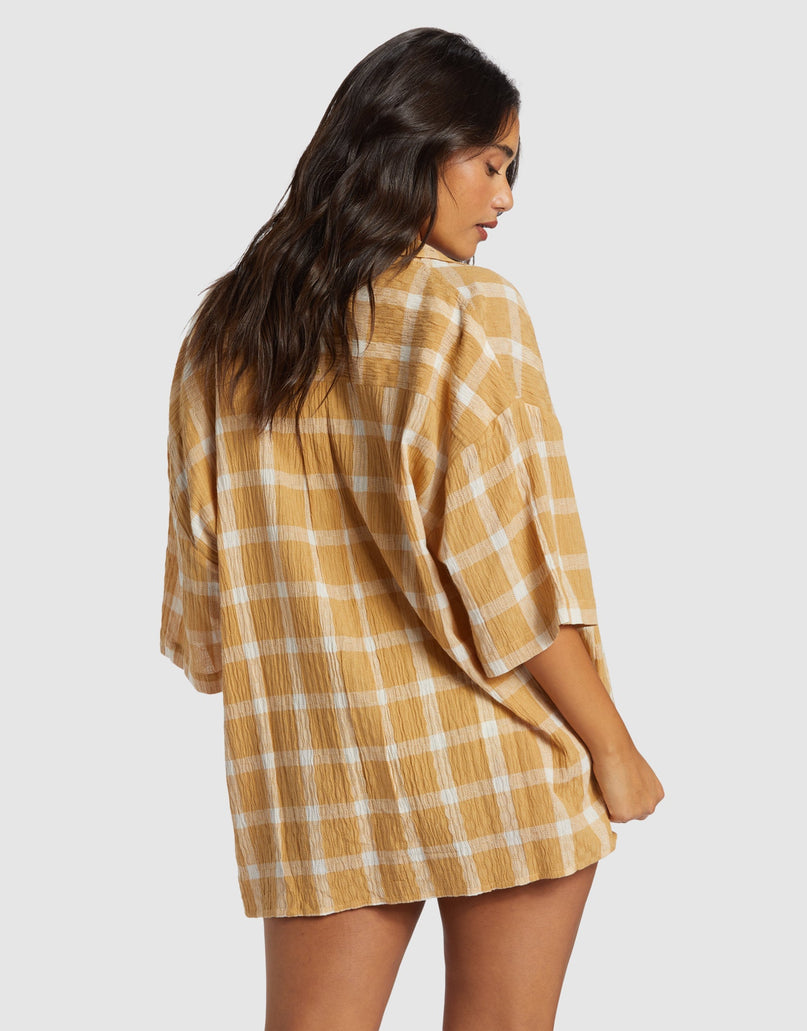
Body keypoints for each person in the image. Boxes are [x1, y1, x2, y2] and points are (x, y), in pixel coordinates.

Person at [160, 26, 664, 1031]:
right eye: (490, 163)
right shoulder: (468, 313)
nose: (504, 197)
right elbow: (510, 581)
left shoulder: (226, 330)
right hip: (496, 751)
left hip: (316, 767)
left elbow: (203, 610)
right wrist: (614, 746)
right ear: (412, 147)